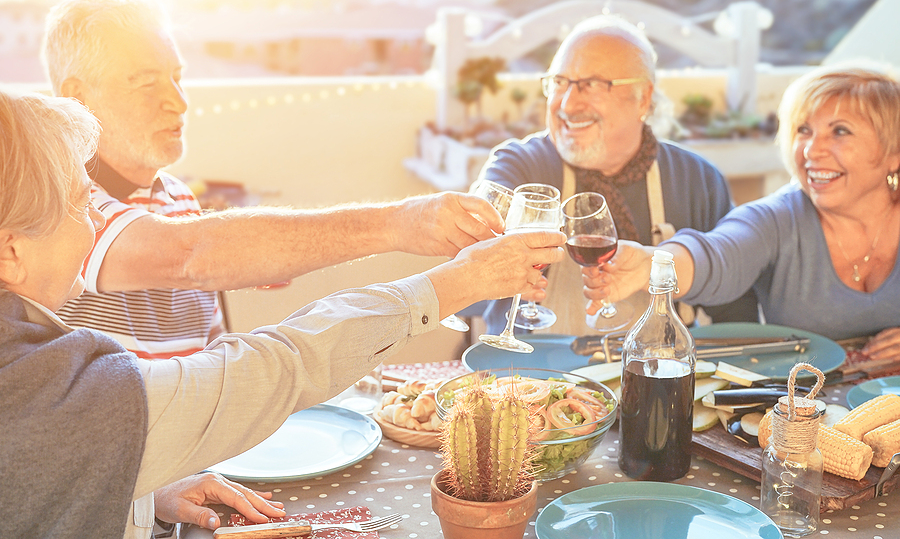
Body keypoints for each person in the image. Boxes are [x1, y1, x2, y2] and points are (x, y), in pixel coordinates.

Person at [0, 87, 565, 539]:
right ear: (11, 251)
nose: (96, 221)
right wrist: (457, 283)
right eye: (78, 204)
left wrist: (136, 490)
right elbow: (274, 367)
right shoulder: (39, 387)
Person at [41, 0, 509, 359]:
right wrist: (404, 222)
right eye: (146, 82)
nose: (179, 102)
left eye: (178, 77)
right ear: (77, 98)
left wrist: (262, 254)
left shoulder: (177, 199)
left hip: (185, 469)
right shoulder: (56, 203)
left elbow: (208, 353)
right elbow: (190, 254)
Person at [583, 63, 900, 357]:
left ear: (893, 152)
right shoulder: (777, 218)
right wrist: (651, 265)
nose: (811, 150)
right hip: (805, 404)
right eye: (803, 130)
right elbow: (719, 255)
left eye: (840, 131)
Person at [473, 14, 759, 336]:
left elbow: (736, 314)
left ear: (644, 98)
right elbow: (471, 253)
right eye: (559, 82)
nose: (567, 103)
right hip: (531, 379)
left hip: (656, 377)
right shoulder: (520, 165)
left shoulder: (697, 180)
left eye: (591, 85)